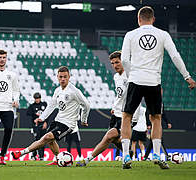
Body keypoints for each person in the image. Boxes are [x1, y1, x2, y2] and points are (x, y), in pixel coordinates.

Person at [120, 6, 196, 169]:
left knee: (126, 116)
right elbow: (175, 56)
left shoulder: (131, 35)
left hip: (136, 80)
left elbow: (125, 60)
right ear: (153, 19)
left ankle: (126, 156)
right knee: (156, 118)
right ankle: (156, 153)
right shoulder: (163, 35)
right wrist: (187, 77)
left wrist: (130, 75)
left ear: (138, 19)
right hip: (154, 82)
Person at [11, 66, 90, 165]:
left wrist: (83, 119)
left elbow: (86, 105)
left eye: (65, 77)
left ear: (69, 77)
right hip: (58, 120)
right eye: (60, 77)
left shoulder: (74, 91)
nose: (63, 79)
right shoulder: (58, 90)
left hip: (68, 123)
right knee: (50, 141)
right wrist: (42, 118)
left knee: (47, 137)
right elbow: (52, 105)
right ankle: (58, 159)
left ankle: (21, 153)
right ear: (57, 77)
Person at [76, 51, 140, 167]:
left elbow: (138, 94)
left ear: (123, 61)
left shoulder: (131, 75)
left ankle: (87, 160)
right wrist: (115, 105)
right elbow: (120, 95)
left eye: (117, 62)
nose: (115, 65)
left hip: (128, 114)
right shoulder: (116, 77)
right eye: (112, 63)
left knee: (109, 136)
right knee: (114, 139)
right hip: (116, 113)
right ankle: (128, 153)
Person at [143, 92, 172, 161]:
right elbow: (147, 113)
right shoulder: (152, 100)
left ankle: (145, 157)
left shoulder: (161, 102)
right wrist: (148, 124)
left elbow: (163, 113)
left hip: (159, 123)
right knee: (159, 139)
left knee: (152, 142)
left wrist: (168, 122)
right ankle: (166, 156)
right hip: (153, 123)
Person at [26, 92, 48, 160]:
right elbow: (28, 114)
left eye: (38, 98)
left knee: (43, 140)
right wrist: (34, 118)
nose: (37, 100)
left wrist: (46, 122)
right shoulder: (32, 106)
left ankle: (41, 156)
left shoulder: (44, 104)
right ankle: (34, 155)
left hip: (43, 125)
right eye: (36, 98)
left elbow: (48, 114)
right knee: (37, 140)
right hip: (36, 126)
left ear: (40, 98)